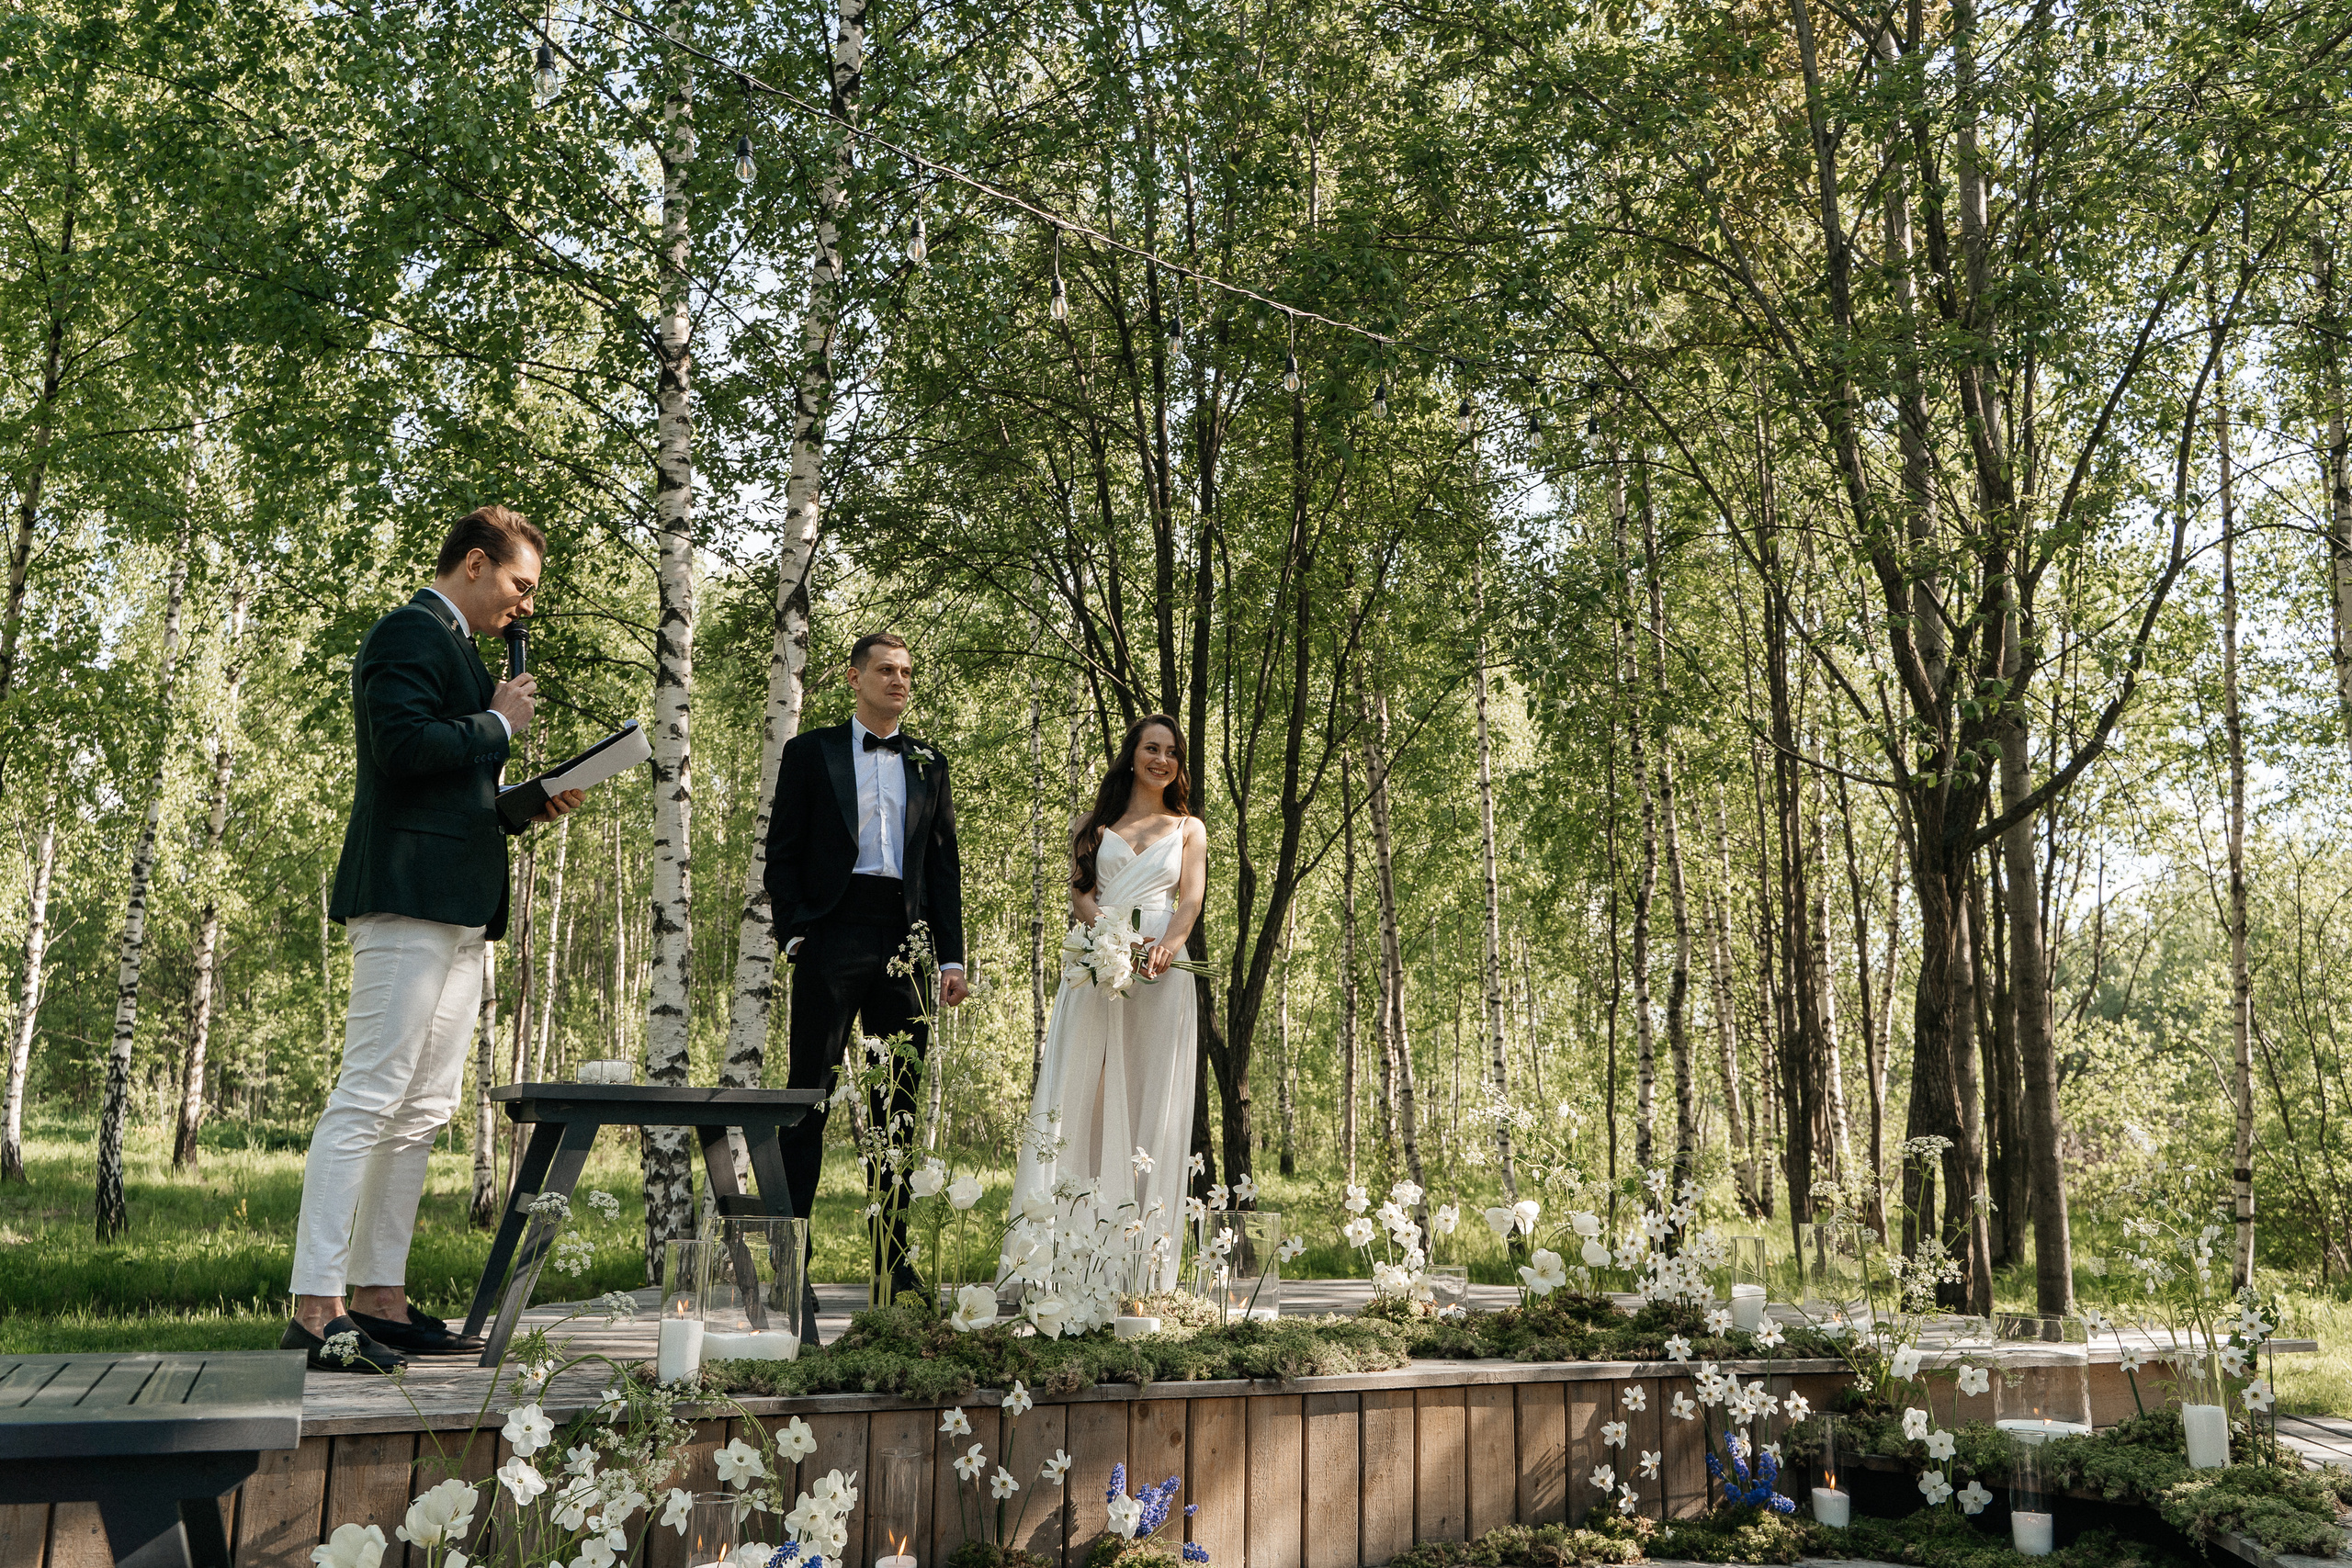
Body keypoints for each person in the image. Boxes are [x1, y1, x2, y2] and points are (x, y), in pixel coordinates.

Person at [285, 506, 582, 1372]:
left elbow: (453, 789)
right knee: (368, 1096)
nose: (526, 605)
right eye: (521, 585)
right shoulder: (408, 632)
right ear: (478, 563)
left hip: (458, 906)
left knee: (422, 1108)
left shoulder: (464, 652)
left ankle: (380, 1297)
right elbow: (402, 747)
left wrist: (525, 799)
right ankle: (314, 1305)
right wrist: (496, 725)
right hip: (406, 897)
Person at [765, 633, 967, 1328]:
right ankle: (793, 1262)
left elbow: (943, 868)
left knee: (897, 1108)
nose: (900, 680)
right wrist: (793, 930)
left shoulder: (929, 762)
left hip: (904, 942)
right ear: (855, 677)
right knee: (807, 1099)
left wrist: (950, 957)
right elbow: (782, 852)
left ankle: (893, 1260)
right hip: (830, 932)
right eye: (887, 669)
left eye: (909, 671)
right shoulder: (809, 752)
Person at [1009, 713, 1206, 1293]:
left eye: (1172, 751)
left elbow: (1189, 900)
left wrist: (1167, 948)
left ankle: (1141, 1270)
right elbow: (1082, 898)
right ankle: (1066, 1260)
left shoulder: (1189, 829)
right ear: (1132, 754)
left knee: (1152, 1099)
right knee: (1083, 1101)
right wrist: (1113, 945)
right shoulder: (1091, 825)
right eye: (1151, 748)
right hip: (1098, 971)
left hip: (1162, 979)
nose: (1161, 760)